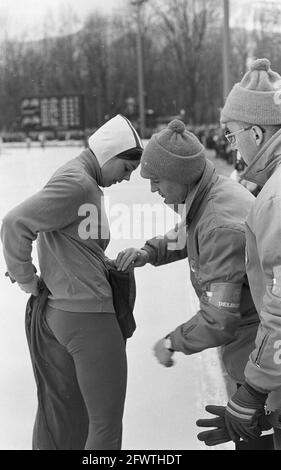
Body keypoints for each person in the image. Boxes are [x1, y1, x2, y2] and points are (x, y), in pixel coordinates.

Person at [115, 119, 272, 449]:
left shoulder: (218, 224)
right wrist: (149, 252)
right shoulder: (211, 195)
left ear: (181, 176)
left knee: (256, 441)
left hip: (257, 357)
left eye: (157, 181)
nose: (153, 190)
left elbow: (219, 319)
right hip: (254, 349)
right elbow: (189, 233)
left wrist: (172, 342)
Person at [0, 114, 143, 450]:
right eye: (125, 170)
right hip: (88, 317)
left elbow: (67, 242)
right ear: (109, 156)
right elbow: (14, 223)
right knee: (105, 428)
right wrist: (26, 278)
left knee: (65, 417)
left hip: (64, 313)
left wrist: (103, 261)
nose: (125, 179)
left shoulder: (79, 178)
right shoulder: (77, 184)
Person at [200, 58, 281, 449]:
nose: (233, 148)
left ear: (257, 131)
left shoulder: (275, 199)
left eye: (233, 136)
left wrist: (254, 389)